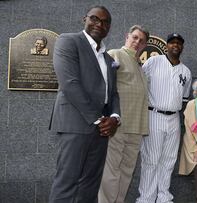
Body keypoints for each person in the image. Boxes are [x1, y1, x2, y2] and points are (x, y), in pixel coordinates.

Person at [48, 6, 120, 203]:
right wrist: (99, 120)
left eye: (105, 22)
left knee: (90, 183)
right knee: (67, 183)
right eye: (95, 18)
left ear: (109, 28)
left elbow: (113, 94)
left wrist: (114, 118)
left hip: (102, 130)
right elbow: (70, 85)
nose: (99, 24)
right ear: (84, 19)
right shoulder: (68, 41)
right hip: (75, 125)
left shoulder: (109, 59)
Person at [136, 33, 192, 203]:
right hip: (154, 114)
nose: (176, 45)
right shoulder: (154, 62)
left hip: (174, 118)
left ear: (182, 47)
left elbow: (183, 100)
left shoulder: (186, 71)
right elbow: (139, 84)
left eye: (179, 43)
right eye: (172, 42)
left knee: (169, 160)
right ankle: (146, 198)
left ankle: (163, 197)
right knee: (151, 159)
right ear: (167, 45)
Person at [98, 25, 150, 203]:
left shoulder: (139, 65)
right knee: (111, 170)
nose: (137, 42)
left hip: (136, 126)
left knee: (127, 171)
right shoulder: (115, 54)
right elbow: (104, 86)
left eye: (141, 41)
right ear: (127, 36)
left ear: (144, 45)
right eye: (135, 37)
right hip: (117, 124)